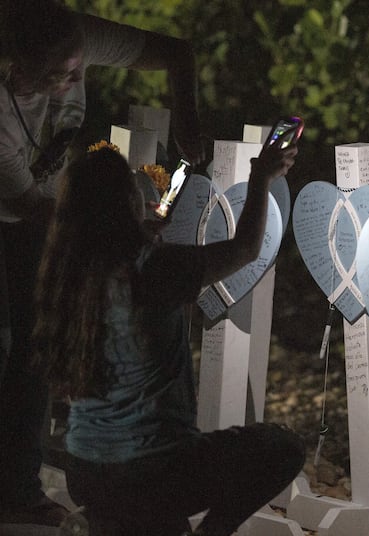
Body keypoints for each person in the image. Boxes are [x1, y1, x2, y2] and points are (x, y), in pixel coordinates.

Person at [0, 0, 205, 527]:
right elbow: (37, 213)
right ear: (16, 68)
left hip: (43, 205)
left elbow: (177, 54)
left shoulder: (75, 36)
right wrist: (124, 237)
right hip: (18, 206)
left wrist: (188, 117)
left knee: (34, 341)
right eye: (59, 75)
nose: (74, 80)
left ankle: (18, 488)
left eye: (79, 67)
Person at [33, 141, 304, 535]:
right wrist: (261, 178)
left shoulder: (67, 278)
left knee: (159, 518)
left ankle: (103, 517)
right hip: (155, 470)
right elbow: (245, 249)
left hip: (85, 472)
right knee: (282, 447)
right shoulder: (157, 269)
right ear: (127, 204)